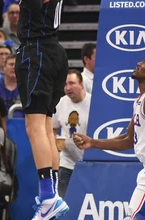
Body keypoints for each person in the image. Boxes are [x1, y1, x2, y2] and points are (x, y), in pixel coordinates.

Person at [0, 0, 83, 218]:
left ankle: (48, 197)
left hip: (37, 52)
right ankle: (52, 197)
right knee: (45, 126)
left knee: (34, 127)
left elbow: (32, 0)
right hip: (54, 52)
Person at [74, 50, 145, 220]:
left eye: (144, 62)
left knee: (138, 217)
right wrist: (92, 143)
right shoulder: (142, 100)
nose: (138, 63)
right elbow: (127, 140)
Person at [52, 70, 91, 198]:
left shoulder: (93, 103)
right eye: (65, 84)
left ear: (81, 84)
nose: (68, 88)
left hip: (88, 162)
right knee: (64, 201)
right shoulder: (61, 103)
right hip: (66, 162)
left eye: (72, 83)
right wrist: (55, 146)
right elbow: (52, 129)